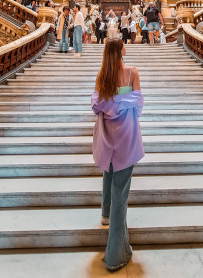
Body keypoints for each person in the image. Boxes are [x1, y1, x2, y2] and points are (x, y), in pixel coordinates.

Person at [91, 38, 144, 271]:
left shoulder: (102, 74)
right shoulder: (132, 72)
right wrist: (124, 104)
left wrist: (110, 103)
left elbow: (96, 103)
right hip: (127, 134)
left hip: (106, 134)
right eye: (123, 45)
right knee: (120, 191)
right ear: (121, 51)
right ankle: (115, 256)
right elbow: (138, 103)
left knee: (109, 172)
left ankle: (105, 213)